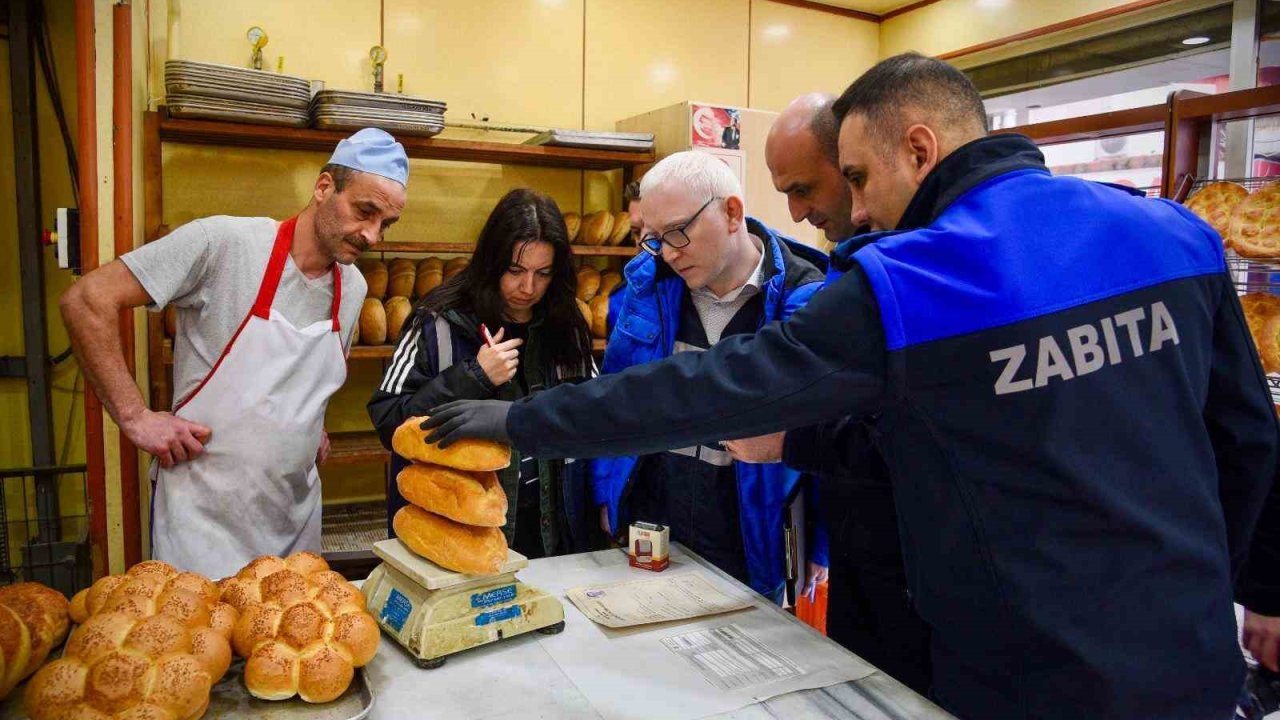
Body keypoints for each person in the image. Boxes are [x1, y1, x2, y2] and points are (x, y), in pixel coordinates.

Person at [420, 53, 1280, 720]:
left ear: (921, 148)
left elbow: (707, 390)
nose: (855, 212)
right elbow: (1247, 441)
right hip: (1191, 659)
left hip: (1025, 674)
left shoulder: (916, 280)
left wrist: (518, 419)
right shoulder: (1173, 233)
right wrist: (1239, 588)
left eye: (860, 178)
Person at [61, 128, 407, 579]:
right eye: (365, 211)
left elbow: (308, 383)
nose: (372, 235)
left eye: (386, 224)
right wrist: (134, 415)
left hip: (294, 522)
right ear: (323, 187)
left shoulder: (353, 288)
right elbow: (87, 300)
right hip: (205, 524)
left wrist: (308, 427)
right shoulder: (224, 244)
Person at [728, 91, 929, 695]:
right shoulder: (850, 267)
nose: (794, 212)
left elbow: (914, 442)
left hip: (924, 580)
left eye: (806, 188)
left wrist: (791, 441)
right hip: (863, 561)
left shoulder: (914, 278)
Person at [588, 150, 828, 603]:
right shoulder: (644, 291)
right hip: (653, 514)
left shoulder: (807, 299)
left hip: (749, 529)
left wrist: (821, 543)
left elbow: (829, 428)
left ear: (732, 212)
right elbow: (612, 397)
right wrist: (607, 489)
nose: (669, 253)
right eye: (655, 238)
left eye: (679, 232)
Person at [367, 188, 595, 559]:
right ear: (491, 262)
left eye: (543, 273)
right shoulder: (436, 322)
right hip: (457, 530)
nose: (528, 287)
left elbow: (591, 415)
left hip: (552, 529)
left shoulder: (566, 325)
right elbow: (389, 421)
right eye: (515, 270)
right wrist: (471, 377)